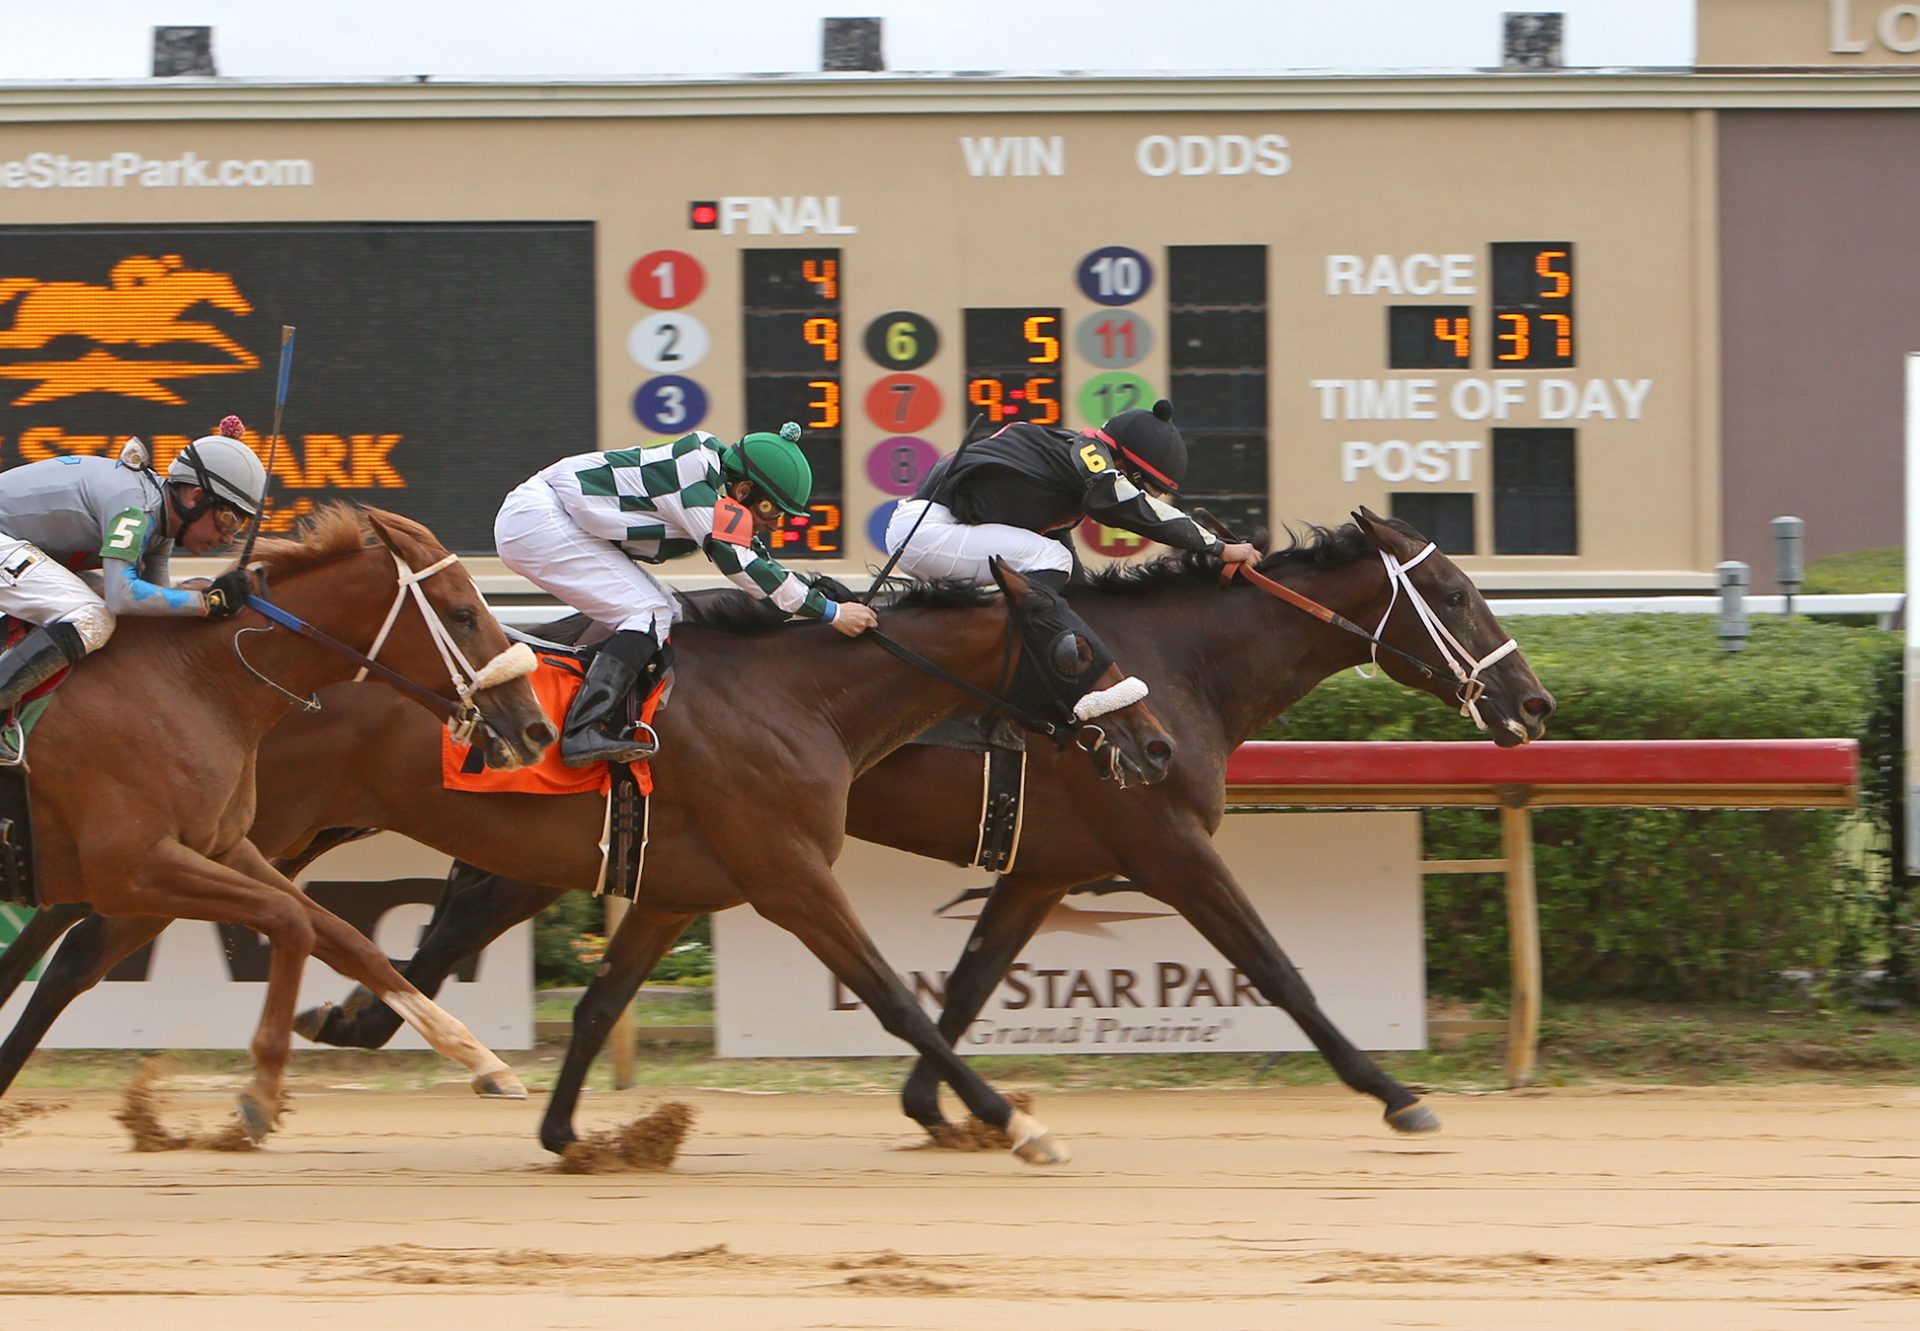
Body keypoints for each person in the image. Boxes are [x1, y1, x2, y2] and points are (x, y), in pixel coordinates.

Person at [495, 420, 878, 767]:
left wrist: (809, 592)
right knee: (646, 614)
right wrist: (830, 613)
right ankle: (583, 728)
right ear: (744, 489)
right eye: (771, 512)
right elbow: (740, 564)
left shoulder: (715, 481)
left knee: (665, 612)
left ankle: (607, 715)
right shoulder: (696, 486)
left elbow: (754, 556)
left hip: (562, 521)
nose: (773, 526)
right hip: (538, 522)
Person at [883, 398, 1259, 712]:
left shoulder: (1062, 469)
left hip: (934, 531)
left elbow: (1069, 573)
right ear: (1123, 462)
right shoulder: (1089, 454)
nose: (1142, 492)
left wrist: (1090, 614)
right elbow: (1125, 505)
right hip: (930, 531)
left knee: (1054, 566)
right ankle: (1014, 664)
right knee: (1050, 562)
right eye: (1143, 484)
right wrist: (1218, 547)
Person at [0, 414, 266, 719]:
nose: (228, 536)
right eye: (228, 519)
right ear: (196, 497)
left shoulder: (158, 524)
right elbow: (122, 595)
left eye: (240, 525)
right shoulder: (135, 507)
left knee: (95, 599)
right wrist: (207, 602)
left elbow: (155, 603)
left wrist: (202, 597)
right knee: (92, 616)